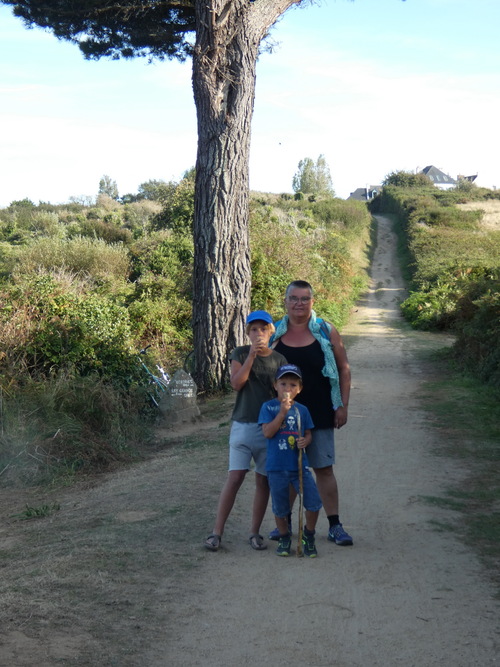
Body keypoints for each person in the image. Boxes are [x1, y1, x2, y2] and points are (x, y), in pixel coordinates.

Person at [269, 280, 353, 546]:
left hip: (320, 412)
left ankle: (335, 526)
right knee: (289, 470)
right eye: (293, 298)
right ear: (285, 301)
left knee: (323, 469)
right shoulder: (275, 334)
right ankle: (285, 525)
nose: (299, 304)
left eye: (304, 299)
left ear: (312, 302)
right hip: (285, 417)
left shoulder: (326, 331)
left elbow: (343, 369)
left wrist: (342, 405)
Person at [205, 310, 288, 552]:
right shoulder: (240, 353)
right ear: (248, 332)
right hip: (242, 425)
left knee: (263, 481)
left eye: (263, 329)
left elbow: (284, 392)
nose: (258, 333)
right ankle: (216, 533)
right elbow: (236, 384)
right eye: (254, 329)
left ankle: (254, 533)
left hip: (268, 428)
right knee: (235, 477)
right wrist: (252, 356)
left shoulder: (279, 360)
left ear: (271, 331)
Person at [259, 364, 322, 557]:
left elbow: (309, 433)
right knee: (280, 506)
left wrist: (306, 440)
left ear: (299, 388)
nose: (288, 389)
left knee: (313, 502)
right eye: (283, 384)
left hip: (299, 466)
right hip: (277, 467)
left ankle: (308, 536)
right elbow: (268, 433)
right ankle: (284, 536)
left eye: (293, 385)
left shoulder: (303, 410)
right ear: (275, 385)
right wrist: (282, 413)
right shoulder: (268, 407)